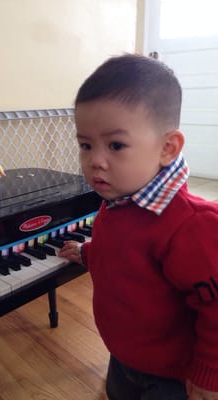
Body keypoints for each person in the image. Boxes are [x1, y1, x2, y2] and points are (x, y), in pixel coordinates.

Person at [58, 53, 218, 400]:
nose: (95, 161)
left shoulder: (191, 225)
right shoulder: (118, 200)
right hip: (123, 356)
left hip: (170, 375)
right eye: (85, 145)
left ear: (167, 148)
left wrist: (209, 374)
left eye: (116, 145)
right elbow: (122, 253)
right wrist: (87, 253)